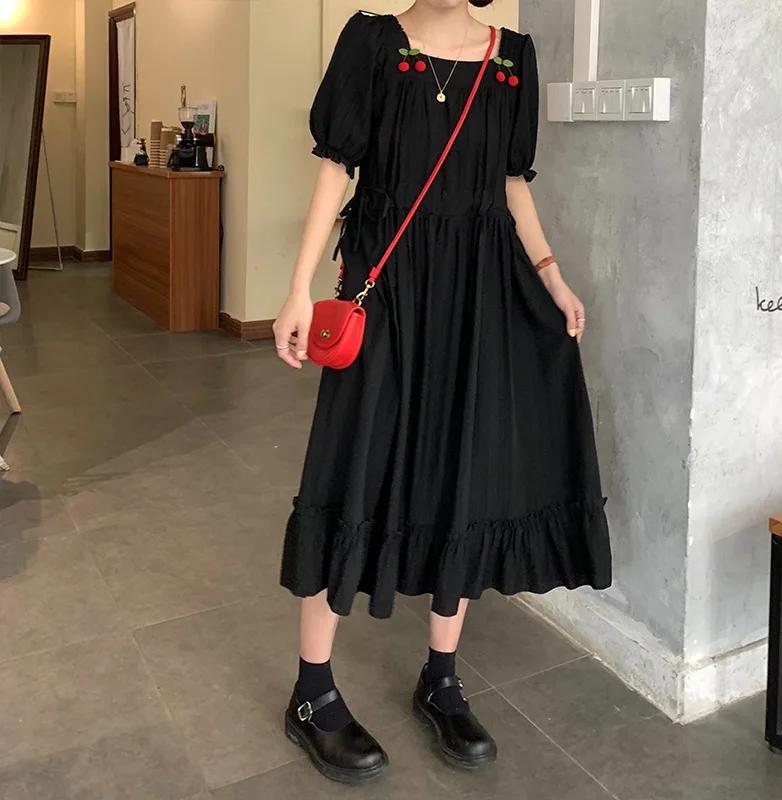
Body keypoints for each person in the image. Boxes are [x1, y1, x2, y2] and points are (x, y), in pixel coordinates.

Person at [274, 0, 611, 785]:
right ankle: (312, 694)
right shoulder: (372, 42)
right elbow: (336, 168)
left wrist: (552, 278)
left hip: (480, 296)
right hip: (388, 290)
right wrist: (297, 289)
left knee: (463, 470)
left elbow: (511, 185)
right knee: (351, 467)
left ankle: (442, 679)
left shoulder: (512, 57)